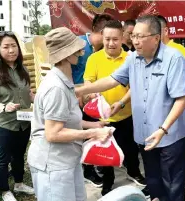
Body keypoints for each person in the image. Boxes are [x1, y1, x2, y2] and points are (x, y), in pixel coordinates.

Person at [76, 15, 185, 201]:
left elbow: (182, 100)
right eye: (133, 36)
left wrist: (163, 129)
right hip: (145, 133)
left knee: (173, 184)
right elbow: (111, 80)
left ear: (156, 37)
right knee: (153, 180)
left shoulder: (174, 59)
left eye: (140, 36)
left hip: (169, 135)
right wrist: (79, 90)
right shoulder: (133, 59)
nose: (135, 41)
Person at [27, 27, 112, 201]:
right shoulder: (55, 88)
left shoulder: (65, 80)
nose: (81, 53)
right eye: (77, 49)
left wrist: (93, 125)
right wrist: (93, 133)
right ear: (66, 55)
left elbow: (67, 120)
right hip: (53, 164)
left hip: (67, 159)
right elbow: (53, 133)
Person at [83, 20, 148, 197]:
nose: (111, 43)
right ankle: (107, 182)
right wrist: (90, 92)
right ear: (102, 38)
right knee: (104, 153)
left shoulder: (131, 58)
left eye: (115, 39)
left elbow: (136, 86)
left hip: (126, 114)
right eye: (107, 39)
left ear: (122, 39)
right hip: (101, 118)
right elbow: (88, 81)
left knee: (131, 149)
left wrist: (122, 103)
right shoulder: (93, 59)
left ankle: (134, 172)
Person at [0, 32, 34, 201]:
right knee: (2, 159)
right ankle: (5, 191)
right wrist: (3, 106)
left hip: (24, 122)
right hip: (3, 123)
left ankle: (19, 183)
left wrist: (36, 98)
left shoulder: (23, 69)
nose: (11, 50)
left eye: (14, 46)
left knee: (19, 155)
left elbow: (28, 92)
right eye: (6, 47)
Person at [72, 14, 113, 188]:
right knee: (83, 134)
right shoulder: (78, 44)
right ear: (102, 32)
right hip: (76, 100)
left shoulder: (101, 51)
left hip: (95, 100)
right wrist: (79, 91)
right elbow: (64, 71)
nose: (111, 42)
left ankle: (95, 165)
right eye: (109, 37)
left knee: (96, 132)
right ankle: (86, 171)